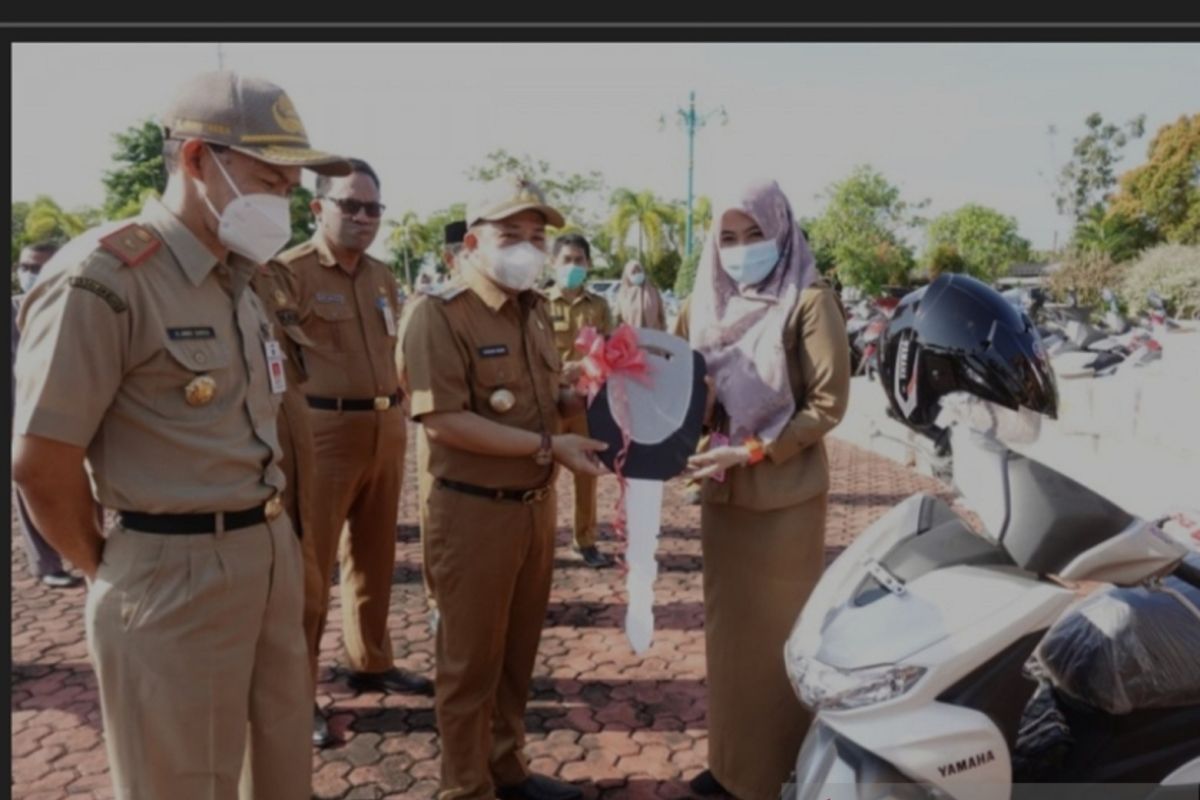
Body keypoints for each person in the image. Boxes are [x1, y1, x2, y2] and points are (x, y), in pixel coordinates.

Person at [12, 69, 349, 800]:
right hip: (168, 575)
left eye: (291, 187)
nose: (283, 201)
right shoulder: (105, 278)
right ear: (198, 160)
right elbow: (42, 462)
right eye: (269, 179)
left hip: (266, 557)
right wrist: (113, 569)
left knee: (281, 773)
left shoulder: (243, 279)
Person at [400, 175, 608, 800]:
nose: (528, 247)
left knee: (517, 656)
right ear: (472, 241)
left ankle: (506, 766)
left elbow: (542, 400)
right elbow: (443, 422)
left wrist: (582, 397)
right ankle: (465, 787)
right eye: (510, 234)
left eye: (537, 235)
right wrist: (550, 446)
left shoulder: (534, 309)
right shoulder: (438, 314)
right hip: (471, 513)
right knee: (467, 667)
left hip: (532, 509)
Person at [676, 178, 851, 800]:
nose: (741, 248)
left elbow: (829, 403)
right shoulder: (706, 300)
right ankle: (731, 765)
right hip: (722, 493)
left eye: (754, 234)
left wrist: (754, 448)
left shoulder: (808, 300)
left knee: (777, 641)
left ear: (781, 231)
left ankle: (773, 773)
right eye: (728, 237)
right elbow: (681, 383)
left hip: (782, 496)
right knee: (729, 638)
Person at [278, 158, 433, 743]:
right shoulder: (286, 274)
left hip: (384, 428)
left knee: (375, 557)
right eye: (351, 205)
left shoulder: (384, 278)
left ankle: (370, 659)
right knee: (310, 574)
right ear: (318, 208)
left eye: (373, 207)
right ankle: (298, 693)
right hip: (321, 435)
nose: (365, 218)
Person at [11, 241, 83, 588]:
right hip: (19, 416)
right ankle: (48, 564)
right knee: (30, 486)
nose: (32, 275)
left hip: (73, 415)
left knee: (83, 485)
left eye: (41, 267)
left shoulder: (77, 308)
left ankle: (88, 552)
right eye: (26, 267)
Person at [546, 232, 613, 568]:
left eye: (579, 260)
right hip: (549, 403)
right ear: (553, 263)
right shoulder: (539, 302)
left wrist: (588, 367)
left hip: (587, 403)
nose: (573, 267)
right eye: (566, 260)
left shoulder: (599, 306)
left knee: (587, 474)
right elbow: (530, 351)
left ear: (588, 264)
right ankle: (540, 542)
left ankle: (585, 540)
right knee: (542, 476)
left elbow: (613, 349)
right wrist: (560, 371)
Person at [614, 259, 666, 331]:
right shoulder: (623, 295)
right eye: (633, 272)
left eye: (639, 271)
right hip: (630, 337)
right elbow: (617, 318)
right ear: (627, 276)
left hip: (653, 337)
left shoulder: (653, 291)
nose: (637, 274)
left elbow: (661, 315)